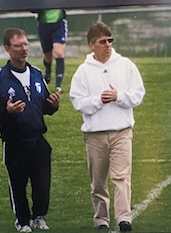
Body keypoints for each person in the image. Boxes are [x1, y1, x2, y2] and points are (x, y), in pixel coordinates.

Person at [69, 21, 145, 232]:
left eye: (110, 41)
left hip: (122, 131)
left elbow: (138, 94)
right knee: (99, 182)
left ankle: (124, 219)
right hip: (95, 135)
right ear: (92, 44)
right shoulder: (83, 72)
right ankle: (101, 220)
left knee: (121, 177)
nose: (108, 45)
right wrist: (99, 100)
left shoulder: (126, 65)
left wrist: (118, 96)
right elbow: (77, 101)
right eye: (103, 42)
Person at [0, 28, 60, 233]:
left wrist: (52, 105)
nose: (24, 49)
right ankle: (23, 222)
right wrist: (7, 111)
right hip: (14, 140)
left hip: (37, 139)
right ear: (8, 49)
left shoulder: (36, 73)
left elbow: (43, 106)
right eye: (19, 45)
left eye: (26, 44)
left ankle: (39, 217)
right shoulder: (1, 77)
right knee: (18, 184)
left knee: (42, 183)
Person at [35, 9, 68, 93]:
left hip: (59, 23)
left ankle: (58, 86)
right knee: (48, 56)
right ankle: (48, 72)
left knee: (59, 53)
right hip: (44, 24)